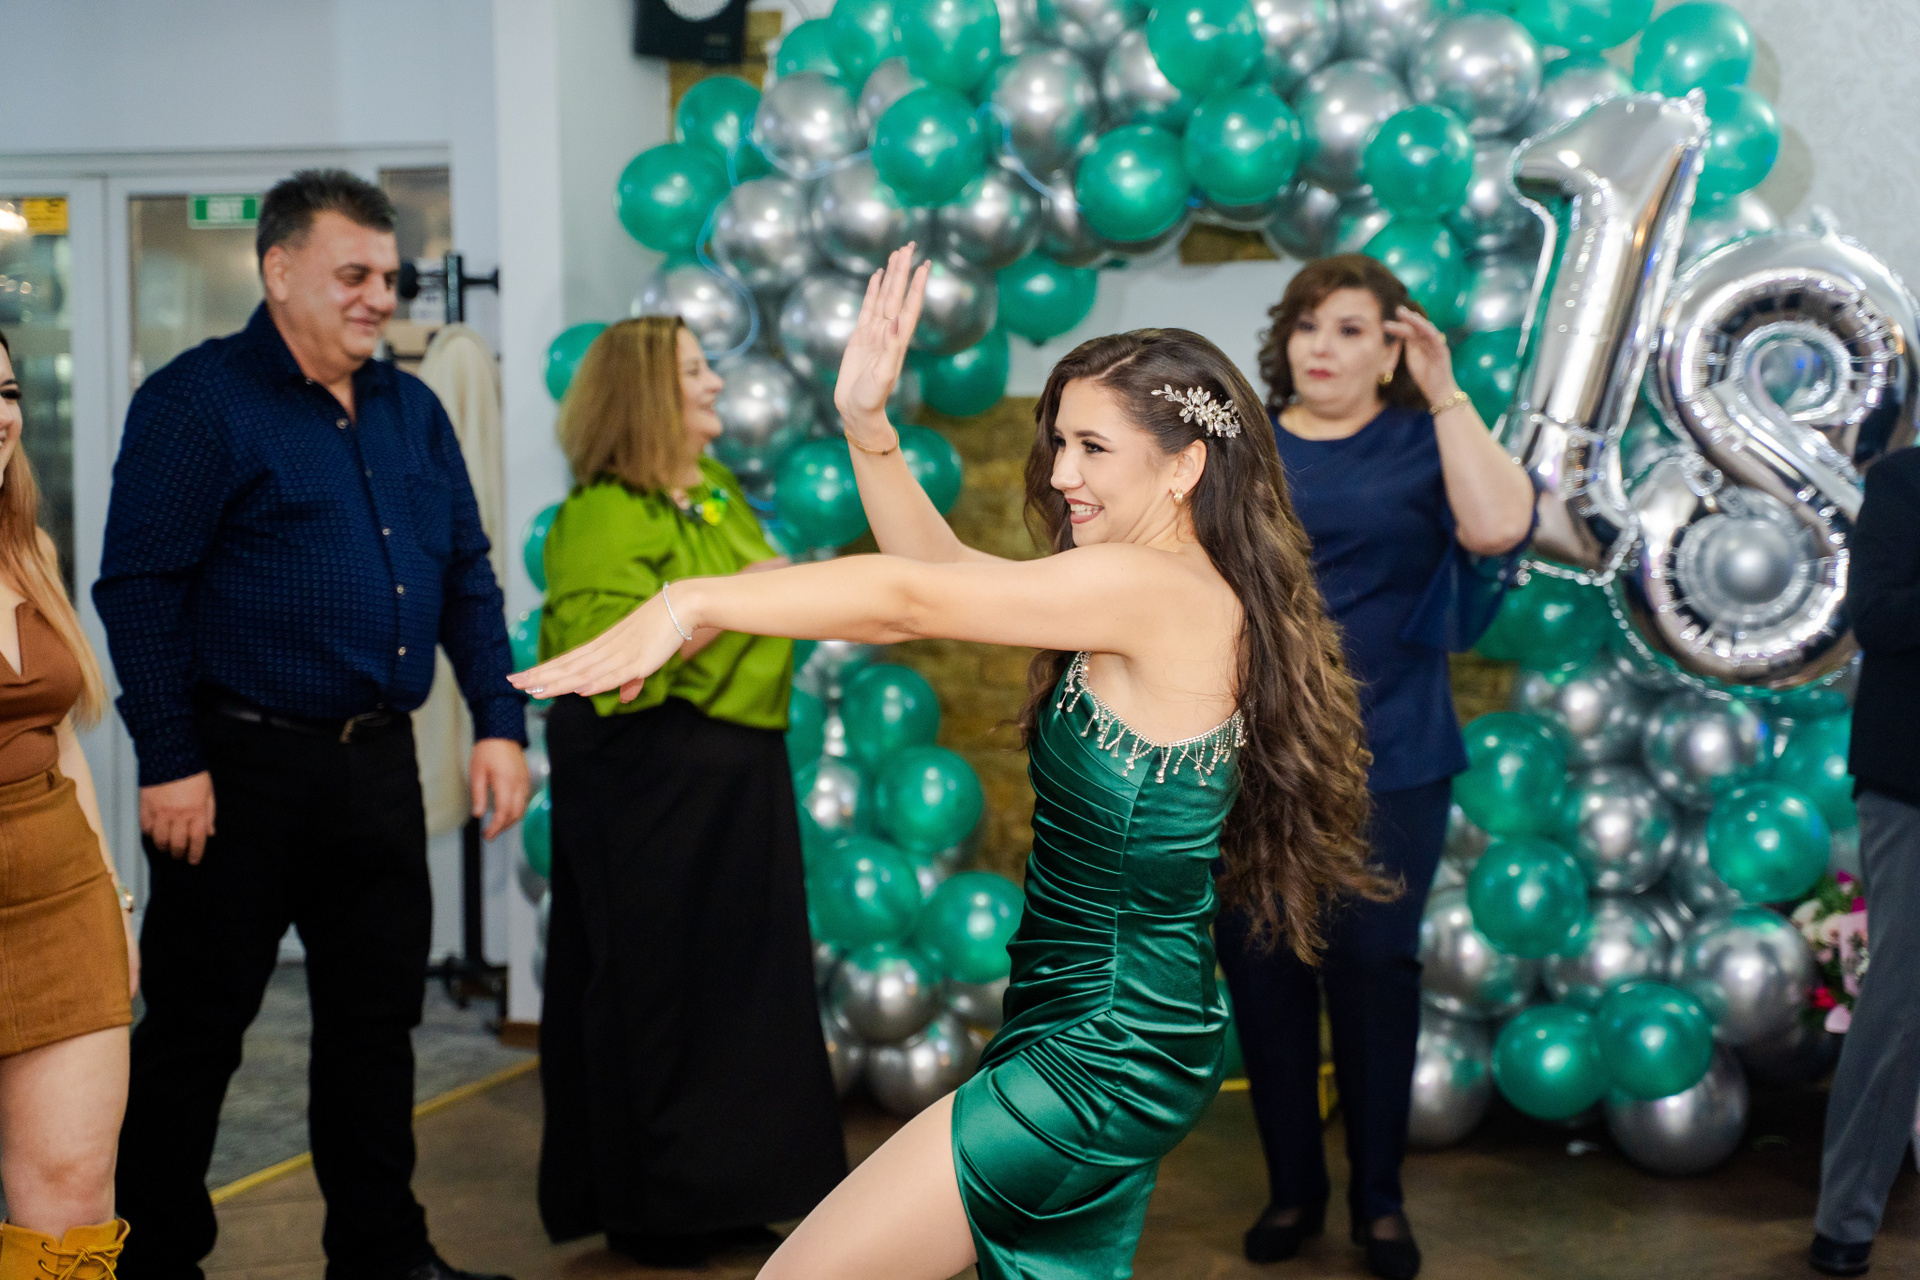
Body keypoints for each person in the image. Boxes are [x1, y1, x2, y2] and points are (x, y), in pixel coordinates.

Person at [511, 246, 1385, 1280]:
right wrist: (867, 426)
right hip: (1103, 1024)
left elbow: (910, 601)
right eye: (1058, 443)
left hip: (1103, 1046)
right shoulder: (1142, 584)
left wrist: (689, 601)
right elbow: (945, 574)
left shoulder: (1157, 590)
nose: (1060, 474)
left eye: (1093, 447)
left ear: (1185, 464)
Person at [92, 170, 529, 1280]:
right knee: (197, 1031)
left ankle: (381, 1253)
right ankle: (153, 1257)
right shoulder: (198, 401)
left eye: (392, 276)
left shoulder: (412, 409)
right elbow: (138, 588)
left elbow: (468, 576)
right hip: (235, 770)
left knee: (377, 1028)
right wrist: (170, 758)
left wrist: (499, 720)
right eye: (355, 274)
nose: (381, 296)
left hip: (375, 766)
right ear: (278, 269)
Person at [1219, 254, 1534, 1280]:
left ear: (1391, 349)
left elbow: (1500, 525)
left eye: (1352, 328)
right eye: (1308, 324)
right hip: (1256, 754)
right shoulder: (1243, 443)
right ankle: (1293, 1190)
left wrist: (1445, 391)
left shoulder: (1422, 438)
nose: (1323, 346)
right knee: (1263, 969)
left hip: (1393, 752)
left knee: (1372, 971)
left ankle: (1379, 1203)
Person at [533, 315, 845, 1266]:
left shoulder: (711, 490)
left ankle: (730, 1192)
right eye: (696, 370)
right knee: (653, 984)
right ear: (646, 394)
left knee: (743, 986)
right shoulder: (602, 514)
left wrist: (743, 591)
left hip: (735, 766)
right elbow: (613, 666)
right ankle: (653, 1206)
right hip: (646, 769)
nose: (715, 383)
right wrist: (740, 592)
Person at [0, 329, 139, 1276]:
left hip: (61, 902)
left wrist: (114, 901)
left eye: (8, 392)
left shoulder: (28, 549)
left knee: (75, 1196)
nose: (1, 415)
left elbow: (62, 740)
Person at [1809, 443, 1920, 1278]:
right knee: (1903, 1002)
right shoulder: (1903, 480)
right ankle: (1845, 1220)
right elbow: (1876, 617)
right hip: (1911, 781)